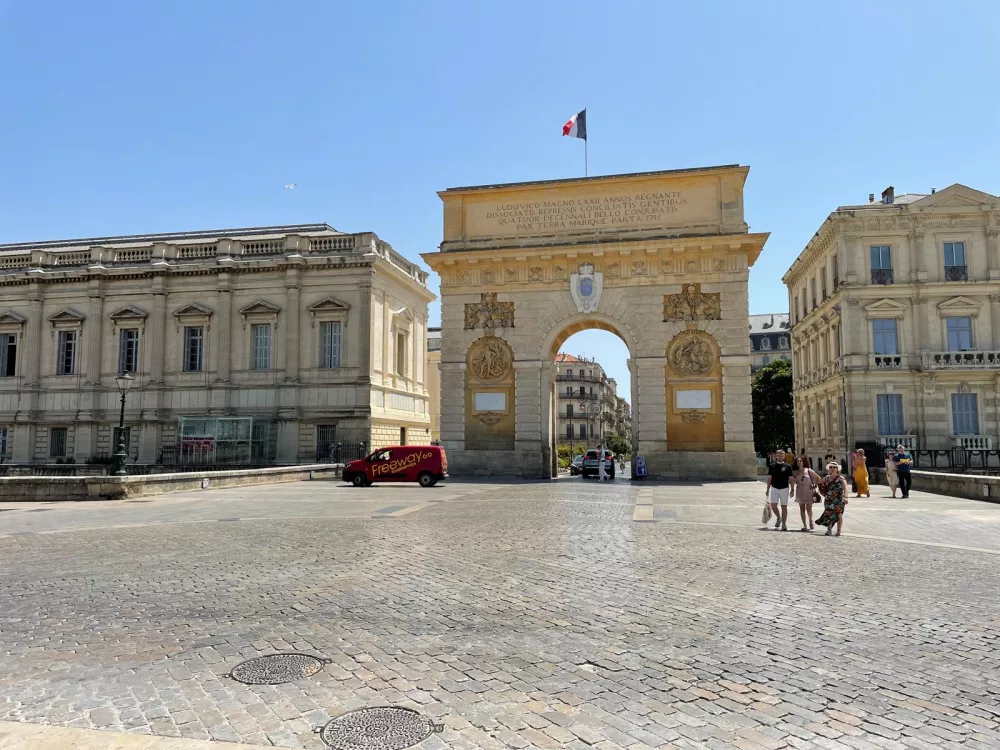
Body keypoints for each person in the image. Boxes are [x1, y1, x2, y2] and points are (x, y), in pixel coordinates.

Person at [765, 448, 795, 531]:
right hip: (774, 487)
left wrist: (792, 490)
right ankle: (779, 517)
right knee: (773, 506)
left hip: (784, 488)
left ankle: (784, 524)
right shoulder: (772, 466)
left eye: (781, 455)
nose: (780, 457)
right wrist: (767, 489)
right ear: (775, 456)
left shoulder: (788, 466)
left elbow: (791, 479)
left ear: (784, 456)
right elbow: (769, 478)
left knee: (784, 507)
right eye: (778, 455)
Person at [816, 461, 849, 536]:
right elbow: (820, 483)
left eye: (834, 467)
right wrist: (818, 491)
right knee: (829, 514)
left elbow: (845, 488)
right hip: (829, 499)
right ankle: (829, 530)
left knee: (839, 515)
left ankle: (838, 531)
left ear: (837, 469)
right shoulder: (827, 478)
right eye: (831, 467)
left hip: (839, 500)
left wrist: (846, 497)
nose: (832, 468)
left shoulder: (841, 478)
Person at [790, 456, 821, 531]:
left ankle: (810, 521)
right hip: (800, 491)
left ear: (803, 462)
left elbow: (818, 478)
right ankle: (804, 525)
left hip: (809, 491)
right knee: (802, 509)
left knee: (809, 509)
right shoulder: (795, 472)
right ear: (796, 463)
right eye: (798, 461)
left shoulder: (808, 470)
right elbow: (792, 482)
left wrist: (815, 485)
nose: (799, 462)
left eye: (800, 461)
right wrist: (792, 490)